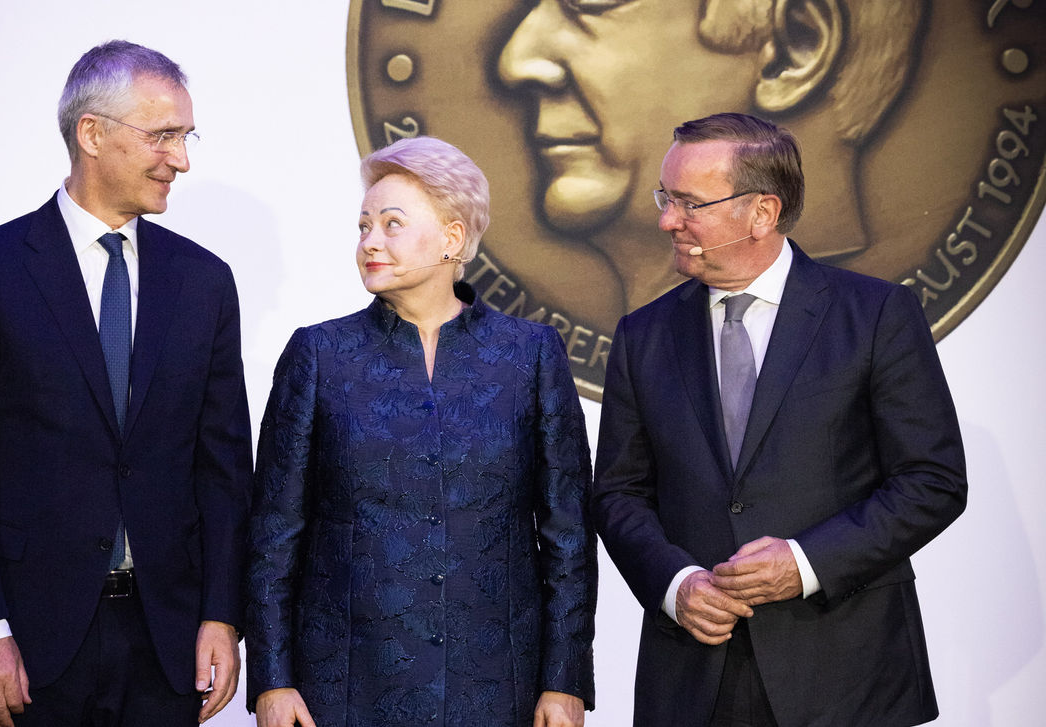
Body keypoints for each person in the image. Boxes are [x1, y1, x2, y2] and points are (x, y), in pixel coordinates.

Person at [0, 40, 252, 727]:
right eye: (163, 135)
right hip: (23, 648)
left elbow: (223, 469)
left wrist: (223, 613)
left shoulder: (204, 282)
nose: (181, 158)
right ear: (91, 133)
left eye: (186, 137)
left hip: (166, 646)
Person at [591, 112, 967, 725]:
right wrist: (675, 584)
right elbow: (619, 493)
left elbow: (933, 481)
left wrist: (805, 562)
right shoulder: (643, 335)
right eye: (666, 198)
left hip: (846, 673)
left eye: (689, 203)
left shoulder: (875, 315)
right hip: (694, 674)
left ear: (761, 212)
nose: (666, 220)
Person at [245, 136, 596, 727]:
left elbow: (567, 535)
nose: (369, 242)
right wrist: (273, 681)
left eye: (391, 224)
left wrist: (563, 683)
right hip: (345, 685)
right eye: (363, 226)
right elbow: (275, 529)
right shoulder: (320, 354)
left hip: (495, 687)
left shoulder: (529, 356)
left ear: (453, 240)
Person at [497, 0, 924, 317]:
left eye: (589, 4)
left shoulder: (878, 323)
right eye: (668, 200)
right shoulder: (642, 338)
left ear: (795, 48)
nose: (514, 63)